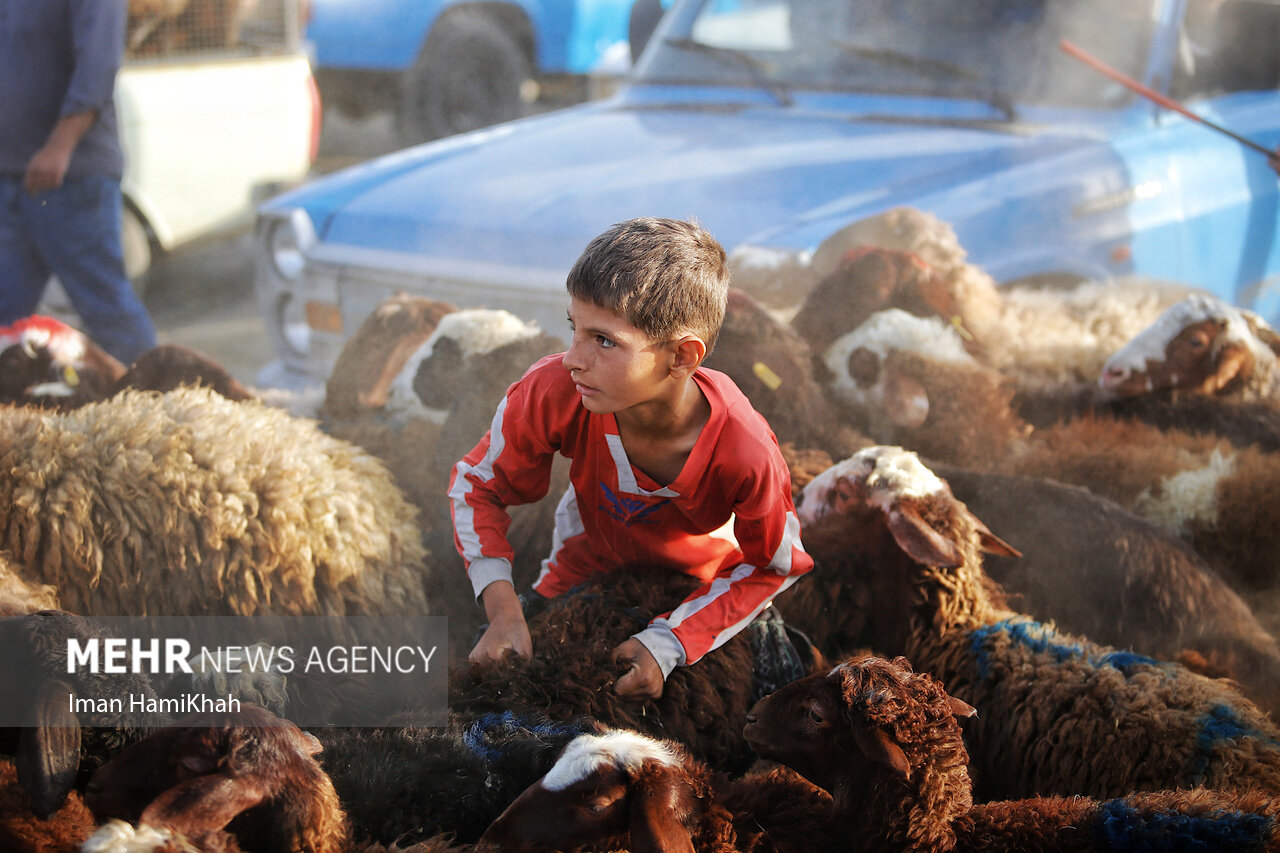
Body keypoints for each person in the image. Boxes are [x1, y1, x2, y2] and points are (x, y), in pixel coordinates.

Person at [449, 217, 814, 700]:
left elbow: (774, 564)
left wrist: (668, 644)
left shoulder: (744, 449)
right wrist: (503, 611)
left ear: (682, 358)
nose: (572, 358)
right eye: (573, 328)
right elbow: (477, 484)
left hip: (700, 592)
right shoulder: (555, 390)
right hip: (581, 573)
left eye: (604, 340)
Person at [1, 0, 158, 366]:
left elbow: (97, 68)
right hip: (11, 176)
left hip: (69, 178)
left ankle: (159, 409)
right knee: (6, 314)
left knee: (106, 309)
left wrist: (59, 147)